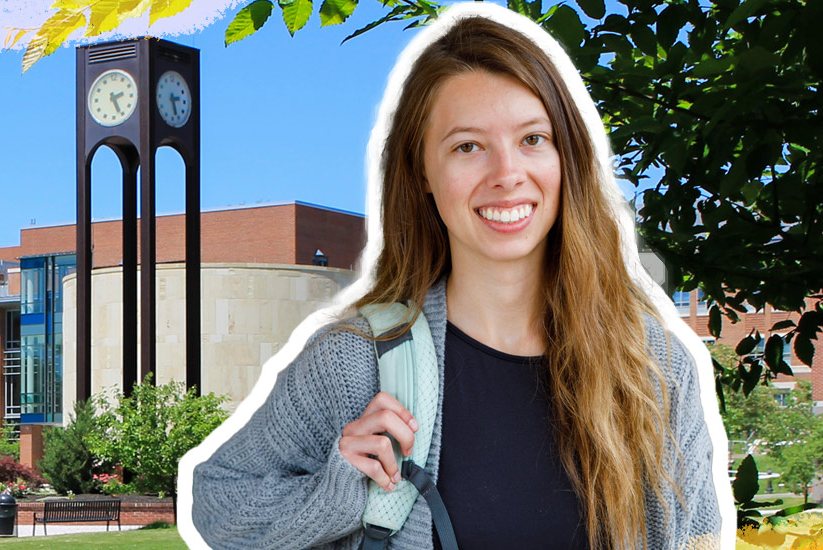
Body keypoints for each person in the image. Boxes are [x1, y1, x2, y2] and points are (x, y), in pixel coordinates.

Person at [184, 3, 727, 550]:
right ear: (422, 170)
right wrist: (337, 493)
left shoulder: (652, 367)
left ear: (568, 157)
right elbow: (219, 501)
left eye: (532, 139)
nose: (506, 175)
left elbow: (701, 537)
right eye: (468, 146)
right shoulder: (359, 362)